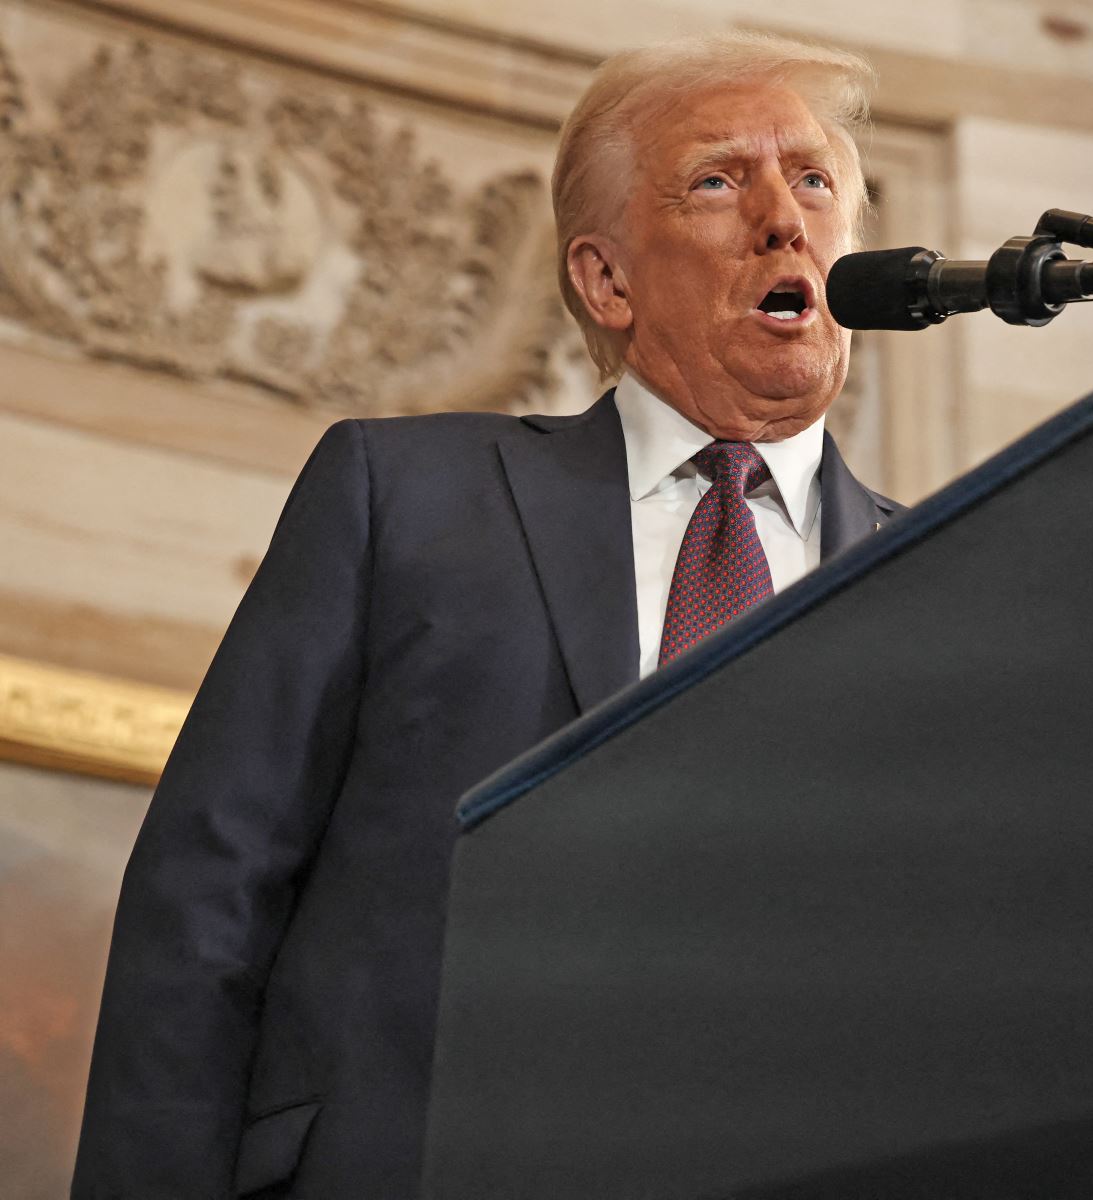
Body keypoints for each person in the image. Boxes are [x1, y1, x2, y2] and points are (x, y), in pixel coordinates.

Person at [72, 32, 899, 1199]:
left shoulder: (940, 576)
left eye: (813, 179)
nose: (783, 218)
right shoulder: (400, 497)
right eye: (720, 178)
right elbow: (206, 898)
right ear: (604, 278)